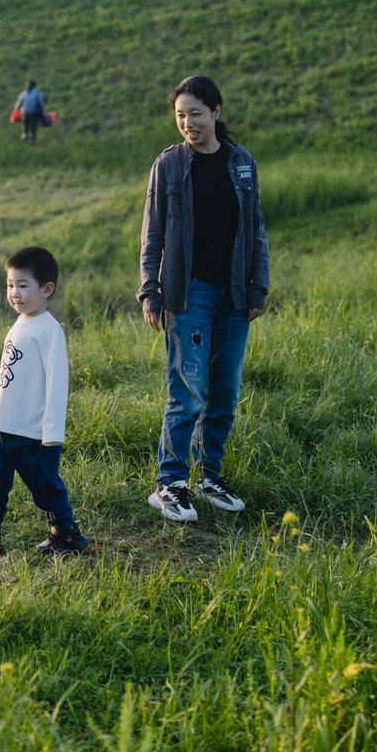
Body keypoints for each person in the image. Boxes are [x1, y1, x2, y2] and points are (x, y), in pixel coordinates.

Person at [138, 74, 269, 524]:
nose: (188, 123)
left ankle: (208, 475)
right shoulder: (169, 165)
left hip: (234, 294)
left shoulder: (242, 163)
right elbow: (152, 234)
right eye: (180, 115)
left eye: (195, 113)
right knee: (187, 391)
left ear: (216, 111)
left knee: (224, 392)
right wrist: (150, 291)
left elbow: (256, 228)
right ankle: (170, 483)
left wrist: (258, 286)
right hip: (187, 294)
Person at [0, 245, 89, 557]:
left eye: (22, 285)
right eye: (10, 285)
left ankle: (66, 533)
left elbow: (57, 385)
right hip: (1, 425)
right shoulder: (20, 322)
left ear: (46, 290)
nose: (14, 293)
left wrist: (52, 433)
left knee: (45, 486)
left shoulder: (49, 330)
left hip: (32, 432)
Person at [15, 79, 46, 144]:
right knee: (34, 127)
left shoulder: (22, 94)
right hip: (34, 113)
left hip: (24, 113)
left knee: (24, 123)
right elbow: (41, 104)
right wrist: (44, 111)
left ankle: (24, 134)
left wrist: (18, 111)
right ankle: (33, 140)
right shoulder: (37, 94)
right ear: (35, 86)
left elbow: (17, 106)